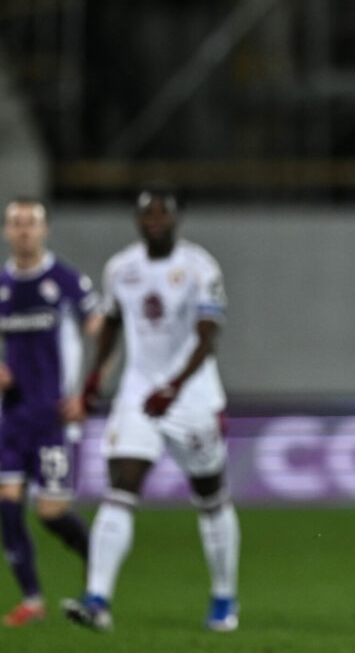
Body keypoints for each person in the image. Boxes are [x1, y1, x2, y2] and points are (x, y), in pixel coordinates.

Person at [61, 190, 240, 632]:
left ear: (178, 218)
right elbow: (113, 324)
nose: (154, 220)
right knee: (120, 487)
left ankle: (224, 598)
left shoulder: (200, 267)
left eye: (163, 213)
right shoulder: (121, 268)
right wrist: (93, 380)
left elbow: (207, 339)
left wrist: (174, 386)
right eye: (147, 213)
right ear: (137, 219)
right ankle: (97, 600)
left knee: (210, 495)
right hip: (138, 394)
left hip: (192, 395)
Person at [0, 199, 96, 626]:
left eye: (31, 223)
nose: (24, 230)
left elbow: (103, 332)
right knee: (7, 505)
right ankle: (32, 600)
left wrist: (87, 393)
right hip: (10, 419)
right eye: (16, 223)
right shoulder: (2, 285)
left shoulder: (66, 281)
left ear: (45, 230)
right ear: (7, 231)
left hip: (52, 419)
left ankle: (97, 564)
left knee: (51, 514)